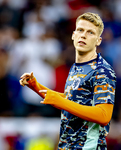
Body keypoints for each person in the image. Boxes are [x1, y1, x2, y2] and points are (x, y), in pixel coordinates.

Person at [19, 12, 116, 149]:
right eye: (80, 30)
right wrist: (35, 86)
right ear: (73, 35)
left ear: (98, 41)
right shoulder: (77, 68)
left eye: (90, 32)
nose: (83, 35)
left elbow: (104, 115)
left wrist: (62, 102)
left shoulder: (102, 70)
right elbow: (72, 100)